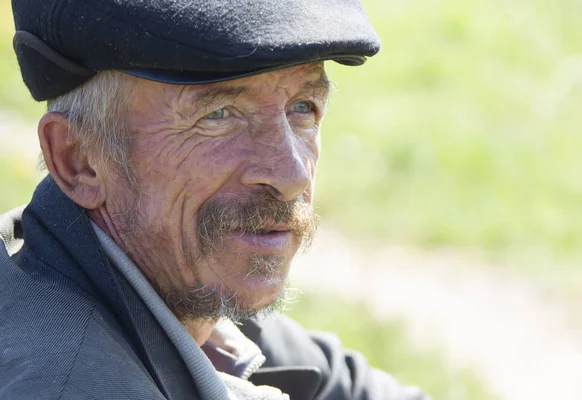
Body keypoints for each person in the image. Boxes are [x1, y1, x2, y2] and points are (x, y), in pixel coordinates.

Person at [0, 0, 428, 398]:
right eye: (218, 114)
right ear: (79, 161)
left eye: (302, 106)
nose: (291, 175)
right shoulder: (72, 383)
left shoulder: (191, 293)